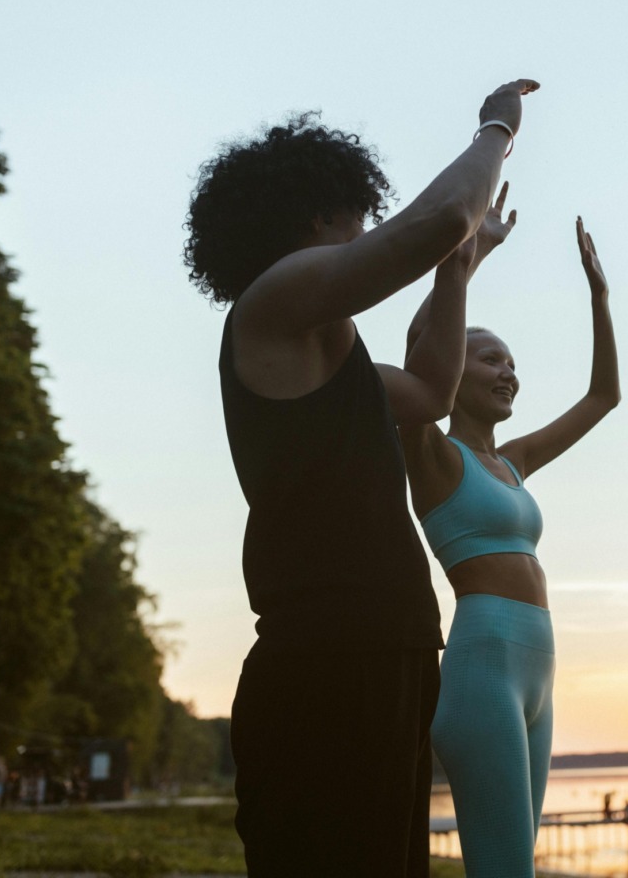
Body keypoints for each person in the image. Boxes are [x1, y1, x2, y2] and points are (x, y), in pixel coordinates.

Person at [183, 79, 538, 878]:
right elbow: (439, 217)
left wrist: (457, 274)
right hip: (329, 657)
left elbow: (433, 392)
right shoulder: (272, 303)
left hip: (391, 649)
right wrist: (496, 130)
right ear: (315, 216)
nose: (368, 231)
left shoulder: (333, 359)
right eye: (355, 216)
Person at [400, 208, 619, 878]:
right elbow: (419, 344)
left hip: (539, 672)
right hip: (483, 668)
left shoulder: (513, 463)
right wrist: (474, 251)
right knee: (504, 873)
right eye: (491, 358)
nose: (508, 372)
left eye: (513, 363)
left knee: (514, 863)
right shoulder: (433, 454)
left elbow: (604, 397)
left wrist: (600, 297)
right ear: (451, 371)